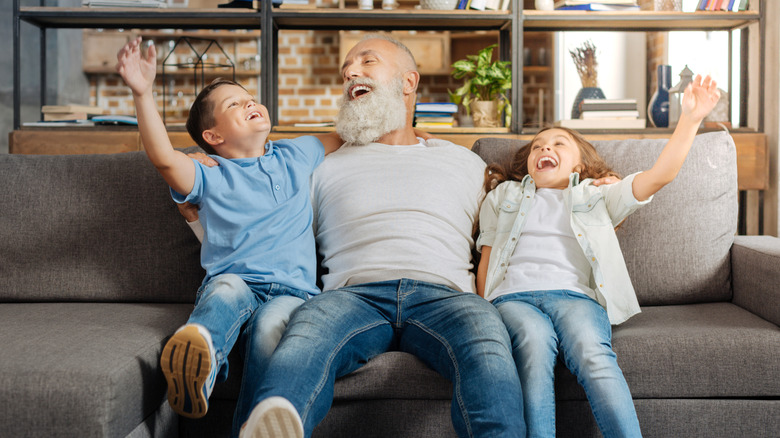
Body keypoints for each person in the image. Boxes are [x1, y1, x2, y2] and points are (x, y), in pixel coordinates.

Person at [201, 33, 527, 438]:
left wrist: (593, 184)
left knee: (488, 348)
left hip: (446, 296)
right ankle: (271, 423)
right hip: (351, 295)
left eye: (367, 62)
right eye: (346, 71)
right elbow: (258, 219)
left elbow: (517, 220)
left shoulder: (464, 162)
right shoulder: (321, 165)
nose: (350, 73)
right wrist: (210, 175)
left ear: (408, 82)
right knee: (305, 338)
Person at [475, 75, 720, 438]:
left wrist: (690, 119)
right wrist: (483, 308)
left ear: (578, 165)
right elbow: (488, 257)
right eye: (537, 146)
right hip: (513, 299)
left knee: (593, 354)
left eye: (558, 143)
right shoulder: (504, 196)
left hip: (575, 298)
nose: (544, 148)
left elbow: (659, 176)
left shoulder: (595, 195)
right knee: (533, 345)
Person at [115, 36, 343, 424]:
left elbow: (349, 133)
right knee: (225, 288)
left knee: (271, 329)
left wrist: (411, 130)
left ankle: (256, 428)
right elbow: (164, 160)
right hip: (237, 282)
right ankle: (200, 359)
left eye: (250, 98)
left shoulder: (296, 153)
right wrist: (142, 93)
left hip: (293, 293)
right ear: (213, 137)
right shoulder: (210, 174)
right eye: (233, 105)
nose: (250, 103)